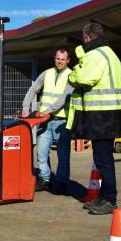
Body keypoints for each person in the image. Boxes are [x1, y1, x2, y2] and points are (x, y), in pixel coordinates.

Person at [67, 22, 121, 215]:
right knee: (103, 158)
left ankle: (109, 199)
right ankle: (103, 196)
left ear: (86, 38)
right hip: (111, 113)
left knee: (103, 159)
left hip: (101, 115)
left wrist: (73, 73)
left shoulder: (94, 55)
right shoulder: (111, 54)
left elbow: (82, 78)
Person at [22, 49, 74, 193]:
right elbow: (33, 89)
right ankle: (45, 179)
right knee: (41, 153)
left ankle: (62, 182)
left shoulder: (72, 76)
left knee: (63, 155)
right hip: (43, 121)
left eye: (63, 59)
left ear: (68, 60)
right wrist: (26, 107)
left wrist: (48, 110)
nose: (60, 61)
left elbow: (65, 97)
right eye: (58, 58)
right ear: (54, 58)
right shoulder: (46, 73)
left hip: (62, 121)